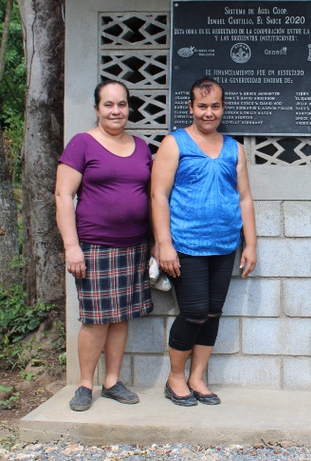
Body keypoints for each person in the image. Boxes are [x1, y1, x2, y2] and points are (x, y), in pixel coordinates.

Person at [151, 77, 257, 407]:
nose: (208, 113)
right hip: (186, 244)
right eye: (202, 106)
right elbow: (158, 195)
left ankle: (197, 379)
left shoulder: (234, 148)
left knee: (212, 313)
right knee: (194, 312)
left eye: (214, 106)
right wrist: (164, 243)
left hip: (224, 245)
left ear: (222, 108)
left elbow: (245, 198)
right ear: (191, 107)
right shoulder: (175, 143)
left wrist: (250, 244)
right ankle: (175, 378)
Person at [55, 80, 154, 412]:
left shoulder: (141, 147)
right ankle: (85, 384)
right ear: (97, 108)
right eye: (109, 104)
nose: (116, 111)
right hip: (94, 246)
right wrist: (71, 246)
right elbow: (63, 196)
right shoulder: (82, 144)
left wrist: (154, 242)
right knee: (96, 318)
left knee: (121, 315)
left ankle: (112, 381)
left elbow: (151, 198)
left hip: (134, 246)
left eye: (122, 104)